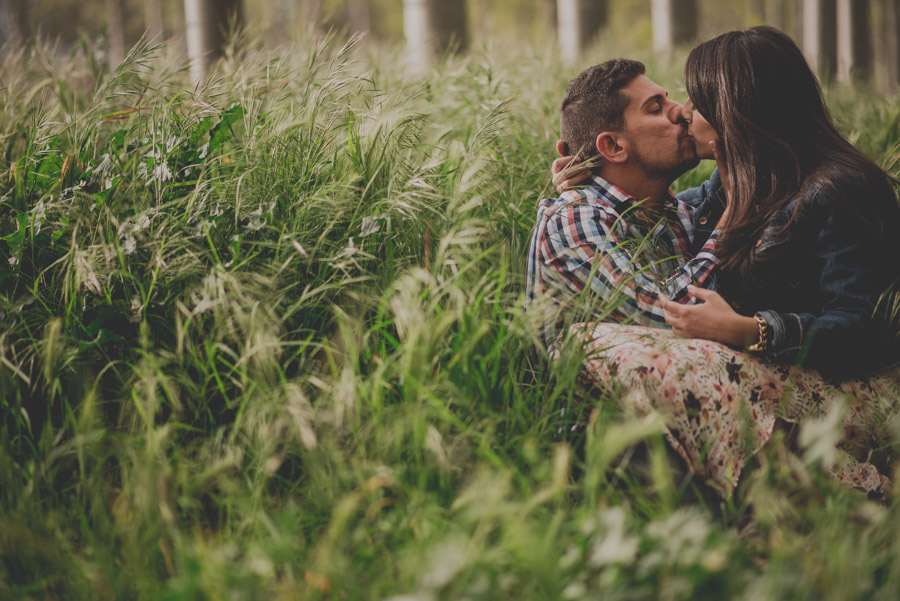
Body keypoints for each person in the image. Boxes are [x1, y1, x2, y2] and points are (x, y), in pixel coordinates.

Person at [556, 27, 900, 498]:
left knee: (651, 357)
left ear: (735, 112)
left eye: (695, 101)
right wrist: (586, 183)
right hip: (780, 378)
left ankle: (857, 496)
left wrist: (753, 331)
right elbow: (657, 215)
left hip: (855, 391)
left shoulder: (837, 189)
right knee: (612, 347)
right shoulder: (734, 184)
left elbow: (862, 329)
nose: (683, 113)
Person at [525, 59, 728, 342]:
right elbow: (673, 316)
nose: (681, 111)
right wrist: (731, 219)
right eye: (656, 108)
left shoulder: (676, 213)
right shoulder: (574, 220)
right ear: (613, 146)